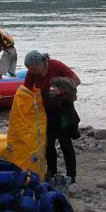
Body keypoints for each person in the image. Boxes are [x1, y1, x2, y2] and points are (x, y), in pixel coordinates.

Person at [23, 50, 81, 183]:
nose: (34, 73)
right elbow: (26, 90)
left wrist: (61, 90)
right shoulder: (31, 72)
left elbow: (77, 81)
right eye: (31, 70)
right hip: (45, 111)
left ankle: (71, 176)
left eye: (36, 69)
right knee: (48, 144)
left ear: (43, 63)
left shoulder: (56, 65)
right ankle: (52, 172)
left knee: (65, 142)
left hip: (63, 109)